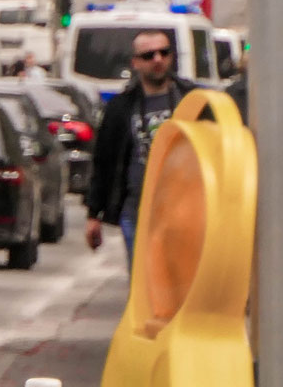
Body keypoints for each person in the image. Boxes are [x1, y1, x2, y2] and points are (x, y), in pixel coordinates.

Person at [85, 30, 200, 261]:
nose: (158, 59)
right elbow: (104, 161)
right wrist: (93, 214)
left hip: (187, 209)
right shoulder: (121, 107)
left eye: (163, 52)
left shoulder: (193, 98)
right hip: (138, 211)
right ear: (135, 63)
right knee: (144, 284)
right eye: (148, 55)